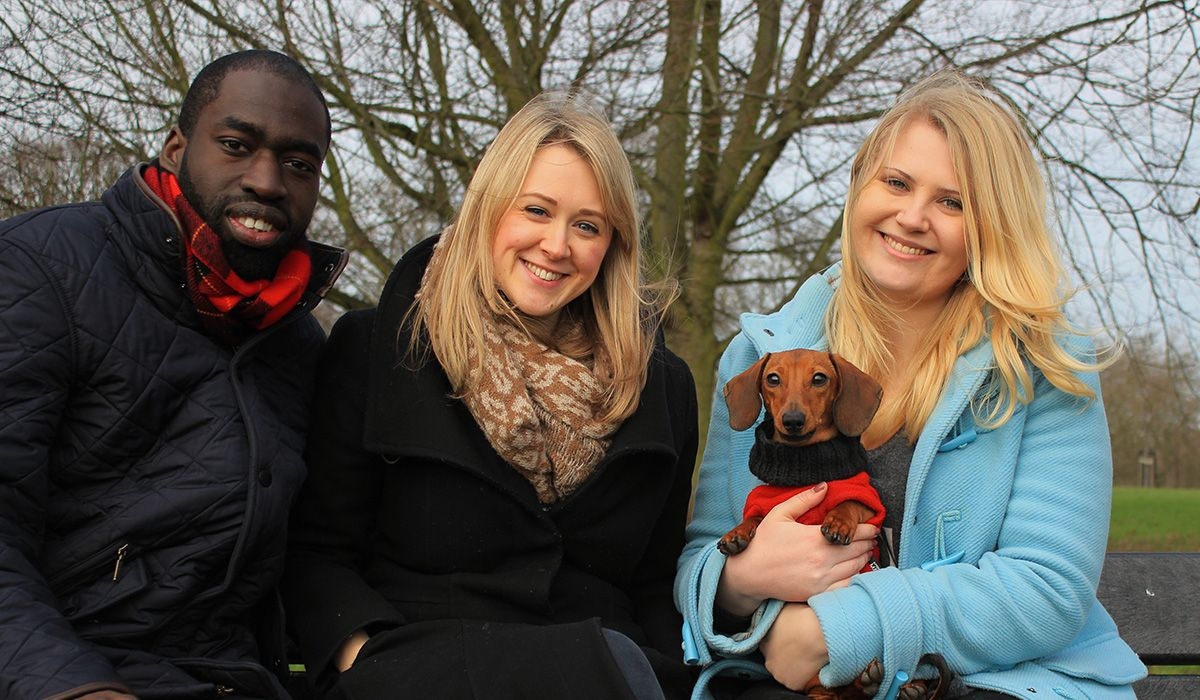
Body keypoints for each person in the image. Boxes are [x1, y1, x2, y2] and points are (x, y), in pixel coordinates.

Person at [675, 69, 1147, 700]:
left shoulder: (1044, 370)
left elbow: (1047, 589)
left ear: (990, 226)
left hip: (993, 686)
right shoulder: (759, 359)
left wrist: (839, 628)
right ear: (859, 187)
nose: (913, 216)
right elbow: (700, 561)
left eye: (952, 202)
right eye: (896, 182)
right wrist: (743, 580)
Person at [282, 91, 699, 700]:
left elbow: (655, 583)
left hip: (604, 675)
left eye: (587, 225)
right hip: (420, 673)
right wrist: (365, 658)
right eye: (536, 210)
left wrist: (663, 674)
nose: (557, 245)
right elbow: (317, 555)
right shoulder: (379, 346)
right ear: (489, 208)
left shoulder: (661, 385)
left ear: (612, 244)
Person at [0, 50, 347, 699]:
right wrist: (74, 688)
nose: (268, 181)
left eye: (300, 164)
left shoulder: (300, 344)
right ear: (175, 146)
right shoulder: (39, 270)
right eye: (238, 145)